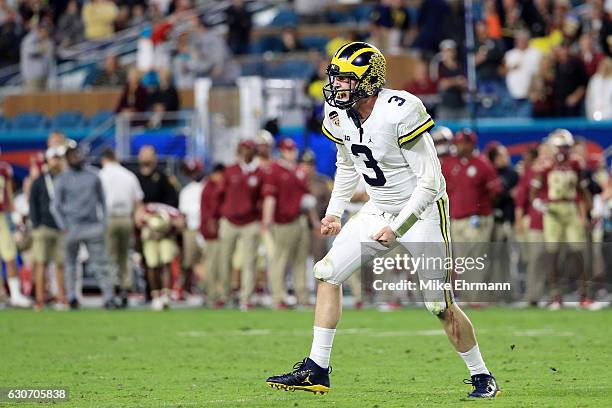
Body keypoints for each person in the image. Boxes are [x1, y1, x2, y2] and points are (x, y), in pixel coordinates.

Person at [265, 42, 500, 398]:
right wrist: (334, 211)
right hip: (378, 206)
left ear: (369, 79)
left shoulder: (400, 109)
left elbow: (432, 182)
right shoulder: (339, 111)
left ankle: (482, 376)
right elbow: (347, 163)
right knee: (327, 272)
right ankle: (317, 368)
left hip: (420, 212)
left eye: (347, 79)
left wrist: (398, 226)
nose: (338, 85)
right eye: (337, 78)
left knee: (439, 305)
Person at [51, 141, 116, 310]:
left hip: (92, 226)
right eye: (72, 156)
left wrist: (103, 223)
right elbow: (56, 206)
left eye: (77, 155)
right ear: (67, 159)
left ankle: (108, 297)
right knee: (70, 264)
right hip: (71, 227)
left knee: (101, 263)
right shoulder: (62, 179)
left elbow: (103, 201)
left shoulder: (94, 175)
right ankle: (72, 296)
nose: (76, 158)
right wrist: (63, 225)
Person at [530, 129, 591, 309]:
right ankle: (555, 295)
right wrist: (540, 205)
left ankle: (583, 294)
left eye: (565, 147)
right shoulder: (545, 165)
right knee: (552, 252)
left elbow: (582, 188)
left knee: (578, 251)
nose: (562, 151)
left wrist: (589, 212)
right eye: (559, 147)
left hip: (571, 207)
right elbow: (534, 192)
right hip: (553, 209)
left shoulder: (576, 164)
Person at [262, 138, 318, 309]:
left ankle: (302, 296)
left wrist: (314, 222)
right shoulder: (275, 171)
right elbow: (269, 198)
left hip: (300, 220)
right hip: (283, 221)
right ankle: (278, 297)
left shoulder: (298, 171)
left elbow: (307, 199)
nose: (291, 152)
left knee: (301, 260)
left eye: (293, 149)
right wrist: (267, 221)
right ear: (281, 151)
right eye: (287, 150)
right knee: (280, 260)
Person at [218, 140, 263, 310]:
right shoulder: (230, 171)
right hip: (229, 221)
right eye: (243, 149)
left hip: (250, 222)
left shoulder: (259, 173)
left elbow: (262, 198)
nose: (246, 152)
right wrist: (220, 215)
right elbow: (220, 194)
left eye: (249, 149)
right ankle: (225, 294)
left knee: (249, 261)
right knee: (225, 259)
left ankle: (246, 297)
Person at [99, 148, 144, 307]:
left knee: (109, 255)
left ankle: (113, 289)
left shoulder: (101, 175)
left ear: (103, 159)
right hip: (126, 218)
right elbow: (138, 201)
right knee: (125, 255)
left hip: (109, 218)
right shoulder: (128, 175)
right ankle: (125, 288)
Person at [29, 145, 67, 310]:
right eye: (53, 158)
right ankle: (40, 298)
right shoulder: (39, 181)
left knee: (61, 263)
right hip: (43, 226)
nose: (56, 162)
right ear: (48, 161)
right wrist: (36, 225)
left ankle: (61, 298)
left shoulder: (65, 179)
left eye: (58, 159)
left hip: (61, 228)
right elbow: (33, 204)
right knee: (41, 263)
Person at [136, 202, 185, 310]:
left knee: (166, 262)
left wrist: (167, 226)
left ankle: (166, 295)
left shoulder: (171, 208)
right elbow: (138, 221)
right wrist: (149, 222)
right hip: (149, 236)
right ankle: (156, 296)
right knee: (152, 264)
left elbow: (180, 223)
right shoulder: (146, 207)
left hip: (167, 236)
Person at [0, 159, 32, 307]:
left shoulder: (4, 169)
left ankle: (15, 295)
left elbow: (8, 193)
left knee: (10, 255)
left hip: (2, 216)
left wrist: (13, 212)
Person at [200, 164, 225, 307]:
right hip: (212, 233)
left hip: (216, 231)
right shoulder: (210, 188)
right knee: (212, 265)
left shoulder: (211, 186)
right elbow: (210, 213)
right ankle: (212, 294)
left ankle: (218, 294)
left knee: (219, 265)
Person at [178, 159, 204, 296]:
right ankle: (186, 289)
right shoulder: (185, 191)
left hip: (205, 228)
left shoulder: (207, 186)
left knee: (207, 261)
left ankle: (207, 288)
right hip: (191, 229)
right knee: (188, 262)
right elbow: (183, 215)